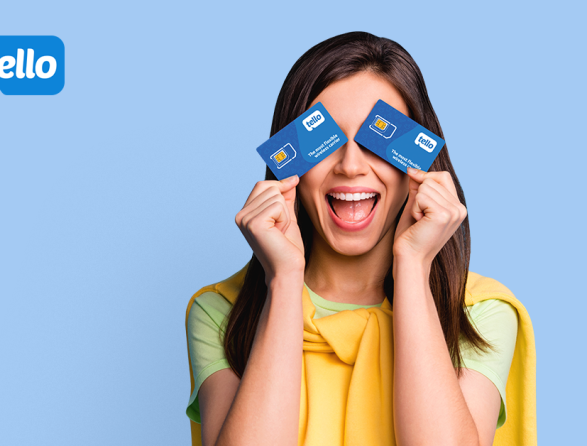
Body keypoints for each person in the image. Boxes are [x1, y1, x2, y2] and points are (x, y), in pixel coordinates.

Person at [185, 31, 534, 446]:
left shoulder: (481, 313)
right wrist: (283, 280)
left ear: (416, 167)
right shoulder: (219, 312)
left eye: (376, 142)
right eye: (326, 141)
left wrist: (414, 267)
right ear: (290, 162)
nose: (351, 166)